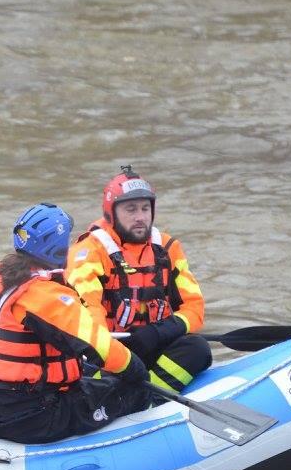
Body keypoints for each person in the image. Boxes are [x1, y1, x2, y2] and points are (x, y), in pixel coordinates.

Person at [0, 203, 159, 445]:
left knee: (89, 377)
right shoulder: (45, 295)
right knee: (134, 389)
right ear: (56, 248)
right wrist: (136, 370)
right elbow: (98, 346)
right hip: (37, 416)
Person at [67, 166, 213, 392]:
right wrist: (114, 349)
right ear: (111, 214)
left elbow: (195, 309)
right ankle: (128, 394)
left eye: (145, 209)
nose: (140, 217)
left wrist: (159, 332)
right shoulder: (89, 252)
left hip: (152, 341)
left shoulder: (167, 248)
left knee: (198, 349)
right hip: (107, 348)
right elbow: (88, 314)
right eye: (131, 209)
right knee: (88, 367)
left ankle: (149, 395)